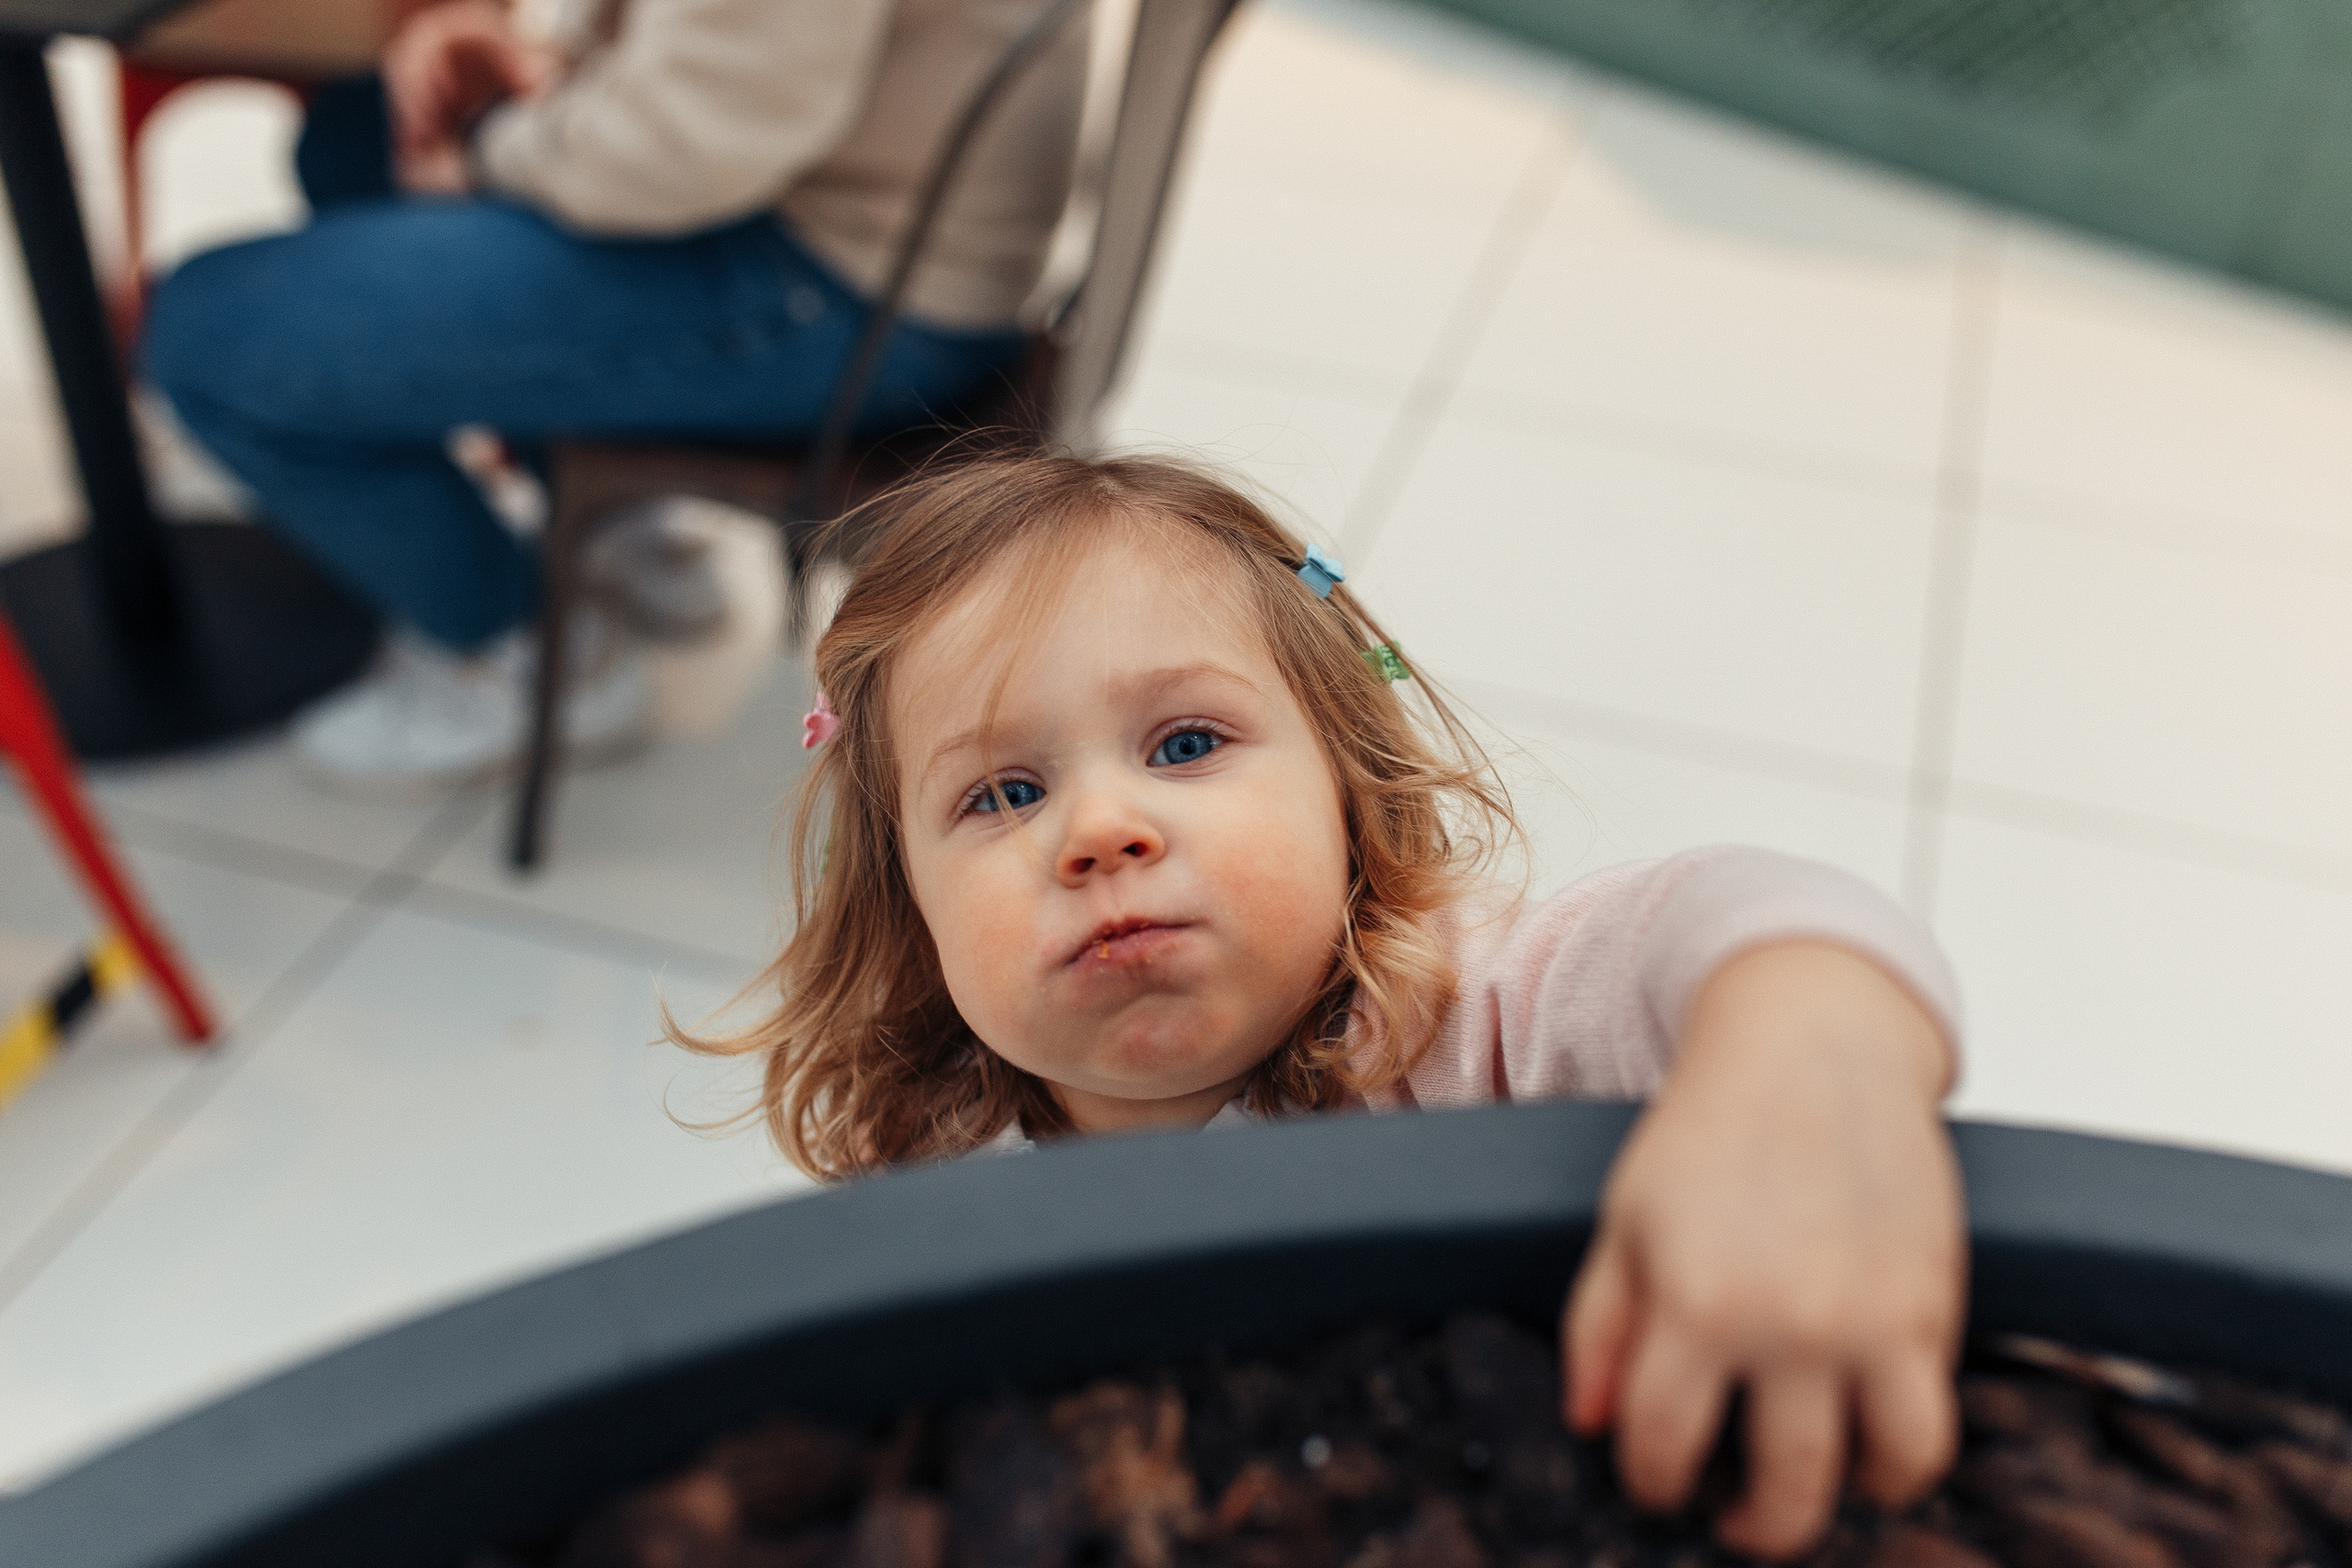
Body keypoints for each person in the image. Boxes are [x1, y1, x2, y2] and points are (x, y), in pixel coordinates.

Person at [682, 453, 1969, 1562]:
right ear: (906, 906)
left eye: (1185, 744)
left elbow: (1737, 917)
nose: (1099, 829)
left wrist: (1812, 1063)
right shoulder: (944, 1187)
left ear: (1347, 789)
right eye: (1002, 793)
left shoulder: (1468, 1026)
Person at [141, 0, 1088, 794]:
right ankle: (619, 531)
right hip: (864, 209)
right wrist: (548, 68)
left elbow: (691, 141)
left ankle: (525, 656)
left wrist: (490, 154)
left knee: (211, 340)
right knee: (356, 141)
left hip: (845, 293)